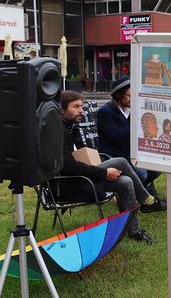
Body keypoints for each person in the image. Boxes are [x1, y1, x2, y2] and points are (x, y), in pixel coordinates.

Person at [59, 91, 157, 244]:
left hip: (83, 177)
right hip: (70, 184)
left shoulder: (71, 127)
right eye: (76, 107)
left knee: (125, 182)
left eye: (81, 106)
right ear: (62, 109)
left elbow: (81, 154)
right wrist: (103, 172)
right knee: (121, 162)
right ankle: (145, 198)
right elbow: (67, 165)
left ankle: (134, 231)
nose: (81, 110)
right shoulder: (58, 131)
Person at [96, 77, 165, 212]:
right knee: (142, 173)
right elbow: (116, 136)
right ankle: (144, 201)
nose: (133, 99)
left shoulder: (131, 110)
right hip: (114, 155)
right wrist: (137, 121)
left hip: (132, 152)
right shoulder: (106, 112)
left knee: (156, 169)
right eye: (129, 95)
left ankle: (142, 196)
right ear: (119, 95)